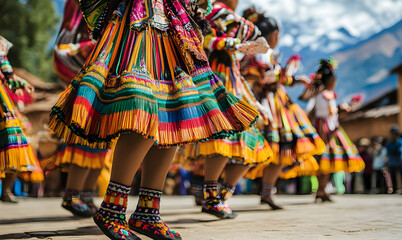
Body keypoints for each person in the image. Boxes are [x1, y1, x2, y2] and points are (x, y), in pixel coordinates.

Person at [48, 1, 259, 239]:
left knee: (173, 112)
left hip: (173, 25)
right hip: (141, 22)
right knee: (143, 104)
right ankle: (112, 209)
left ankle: (148, 212)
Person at [191, 0, 272, 219]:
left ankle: (220, 194)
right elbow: (204, 39)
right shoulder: (213, 11)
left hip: (230, 80)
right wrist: (233, 44)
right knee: (224, 136)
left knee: (248, 141)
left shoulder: (228, 18)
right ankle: (212, 196)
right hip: (215, 78)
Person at [239, 8, 324, 209]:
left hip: (276, 102)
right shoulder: (262, 52)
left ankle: (266, 192)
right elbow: (267, 76)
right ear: (273, 34)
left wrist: (290, 78)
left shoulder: (262, 53)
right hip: (270, 105)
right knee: (266, 148)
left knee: (280, 150)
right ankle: (223, 190)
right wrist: (288, 77)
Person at [53, 0, 112, 218]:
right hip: (92, 71)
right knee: (86, 138)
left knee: (102, 141)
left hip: (106, 73)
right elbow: (66, 44)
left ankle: (86, 194)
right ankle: (72, 194)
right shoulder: (81, 5)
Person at [300, 59, 365, 202]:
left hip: (327, 125)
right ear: (329, 80)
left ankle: (322, 190)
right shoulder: (325, 94)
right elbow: (330, 112)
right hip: (325, 128)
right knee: (326, 158)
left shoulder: (321, 94)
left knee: (327, 160)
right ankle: (321, 190)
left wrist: (344, 109)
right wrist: (345, 108)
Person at [0, 36, 36, 203]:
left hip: (3, 106)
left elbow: (8, 75)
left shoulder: (1, 44)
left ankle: (6, 191)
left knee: (13, 144)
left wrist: (19, 83)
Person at [386, 126, 402, 194]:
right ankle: (394, 189)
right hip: (392, 162)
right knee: (393, 177)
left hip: (400, 162)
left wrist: (396, 145)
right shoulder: (389, 143)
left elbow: (400, 150)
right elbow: (389, 151)